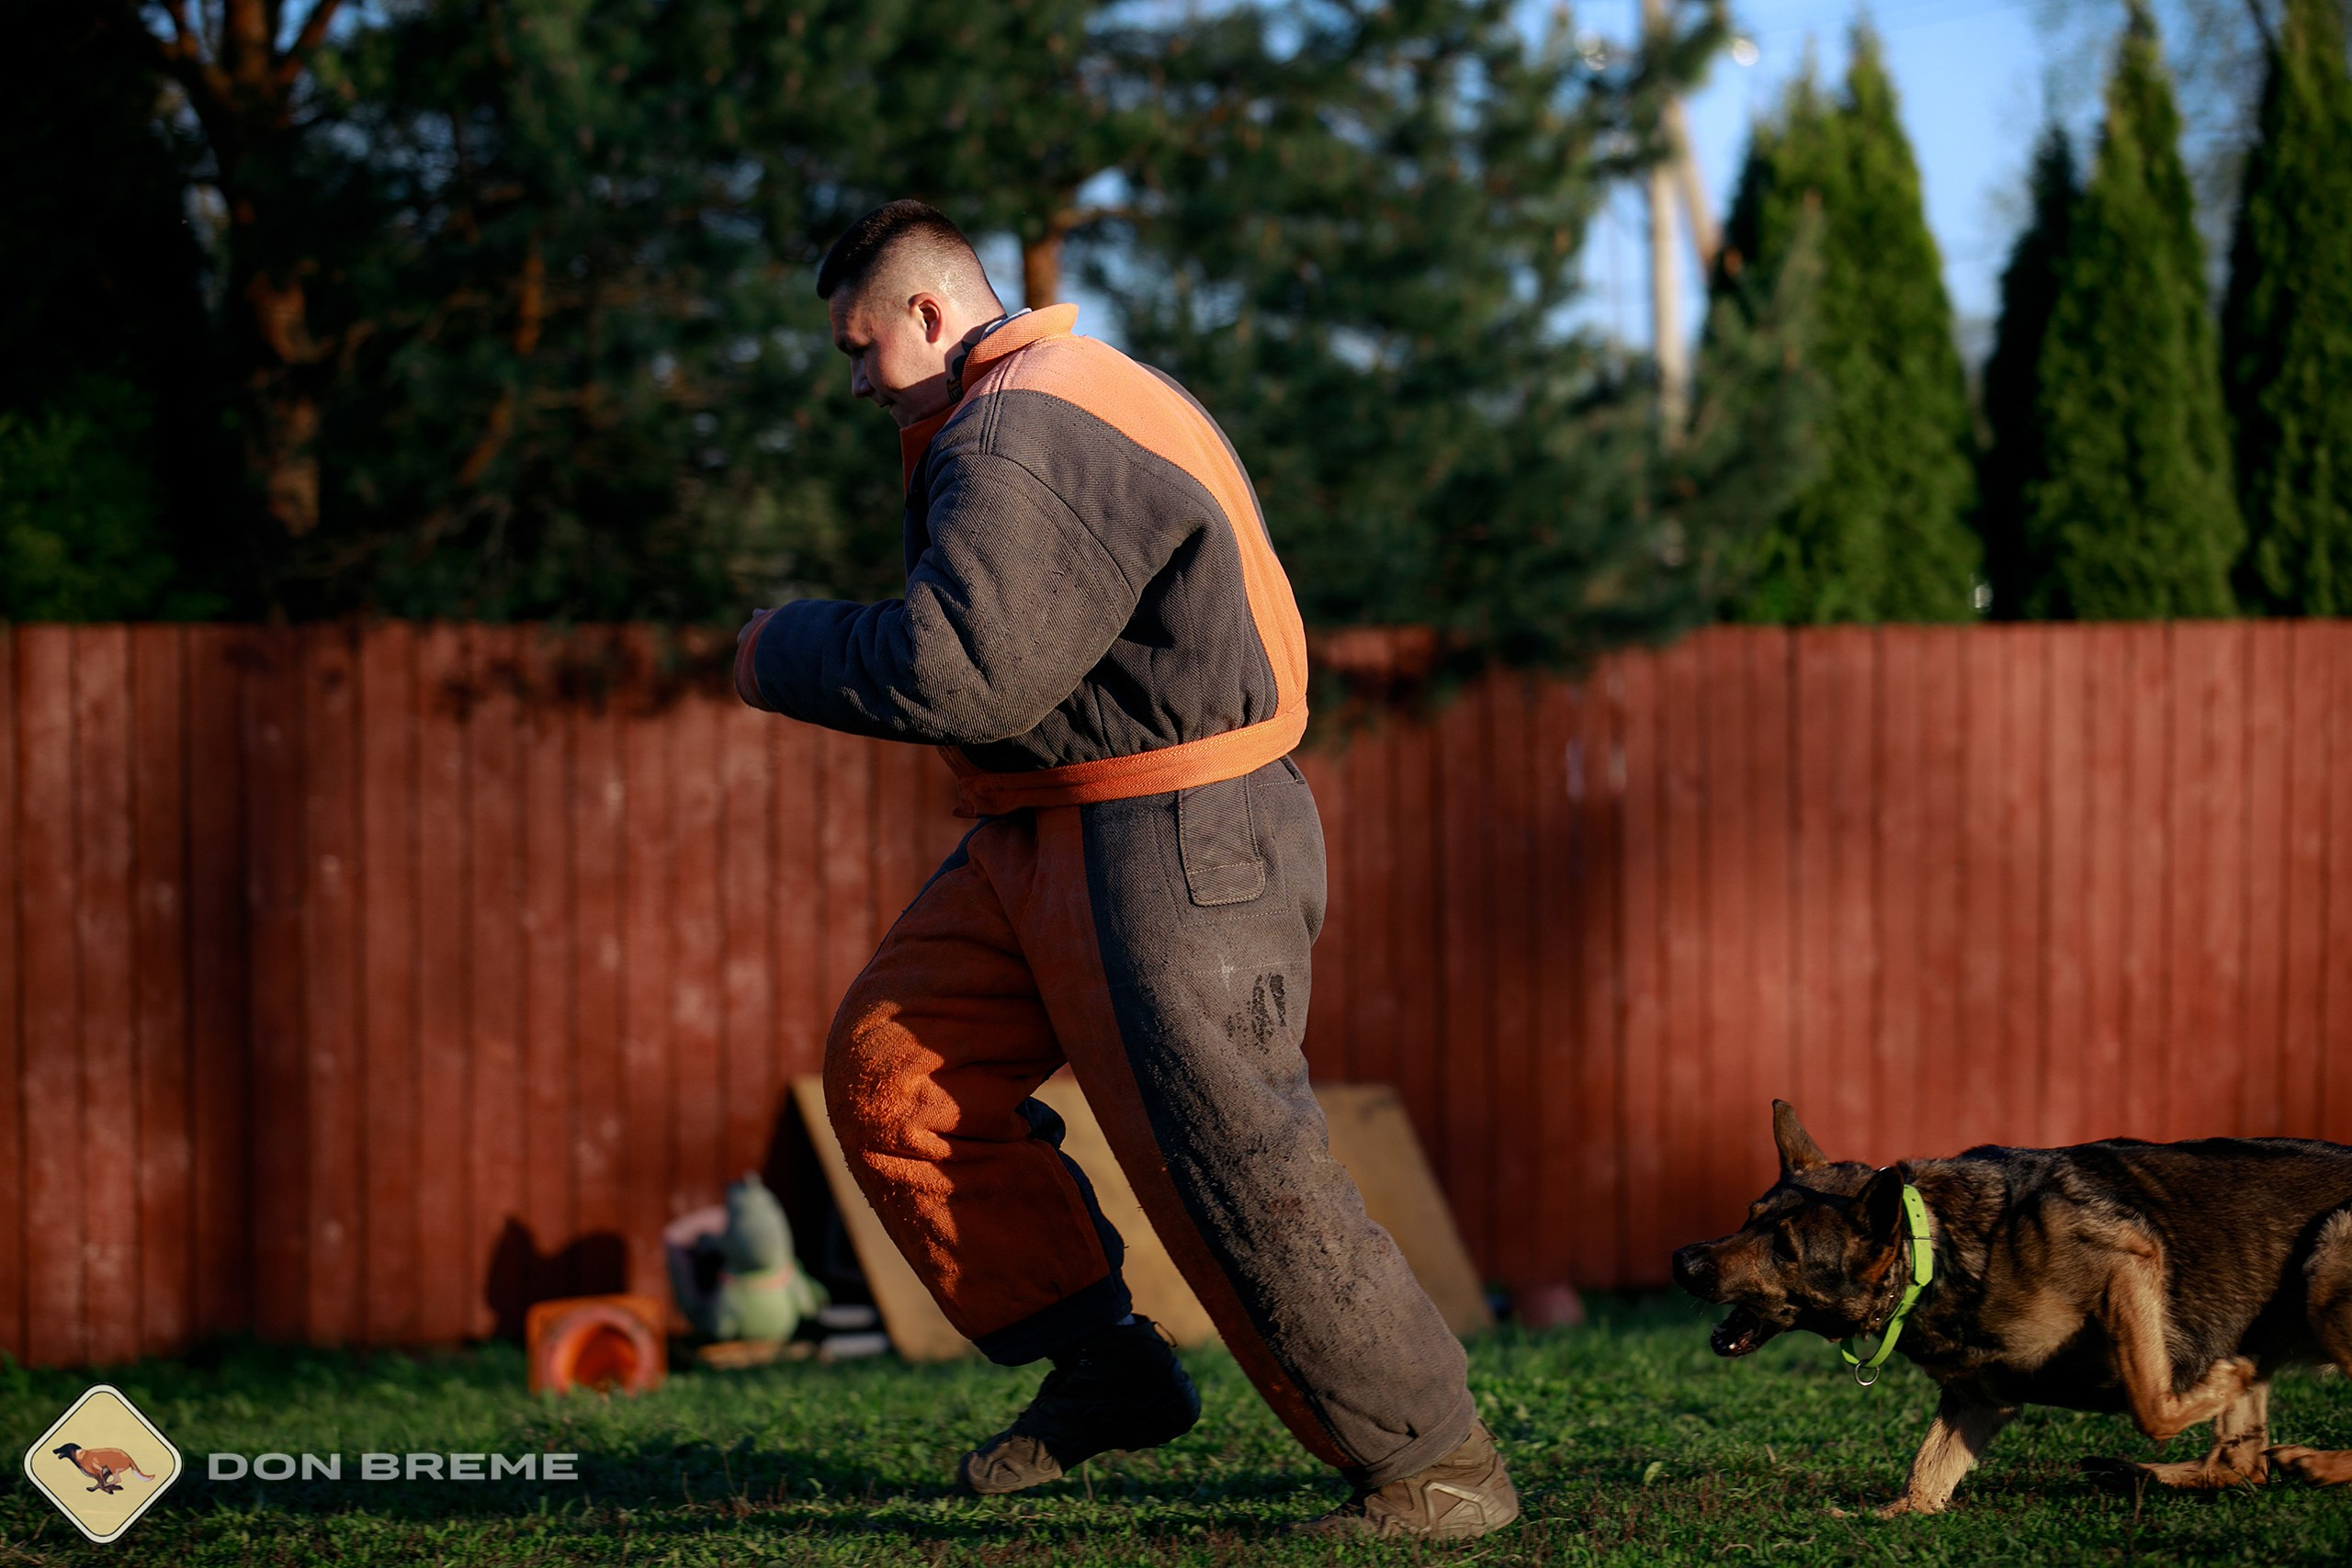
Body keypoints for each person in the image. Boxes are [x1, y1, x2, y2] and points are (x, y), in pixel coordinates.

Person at [733, 199, 1515, 1540]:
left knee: (1231, 1162)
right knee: (894, 1075)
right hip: (1048, 824)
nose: (856, 379)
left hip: (1178, 833)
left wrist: (777, 646)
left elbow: (965, 671)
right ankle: (1107, 1366)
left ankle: (1435, 1466)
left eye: (861, 347)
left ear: (930, 312)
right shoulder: (1012, 407)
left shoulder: (1024, 426)